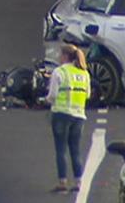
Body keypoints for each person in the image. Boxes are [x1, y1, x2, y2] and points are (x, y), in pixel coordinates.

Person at [46, 45, 90, 193]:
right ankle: (78, 182)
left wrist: (46, 101)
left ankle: (62, 182)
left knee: (61, 149)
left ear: (65, 56)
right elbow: (88, 94)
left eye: (60, 55)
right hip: (79, 115)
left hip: (61, 114)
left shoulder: (60, 72)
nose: (59, 57)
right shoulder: (84, 74)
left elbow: (52, 95)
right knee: (75, 150)